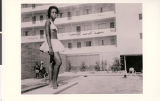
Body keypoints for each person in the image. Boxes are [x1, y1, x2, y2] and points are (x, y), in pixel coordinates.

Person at [40, 6, 64, 89]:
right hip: (51, 43)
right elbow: (47, 35)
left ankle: (50, 82)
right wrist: (50, 47)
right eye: (52, 12)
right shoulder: (48, 22)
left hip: (55, 42)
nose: (54, 14)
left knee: (52, 63)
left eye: (55, 12)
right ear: (49, 13)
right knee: (59, 62)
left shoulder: (53, 23)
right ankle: (54, 81)